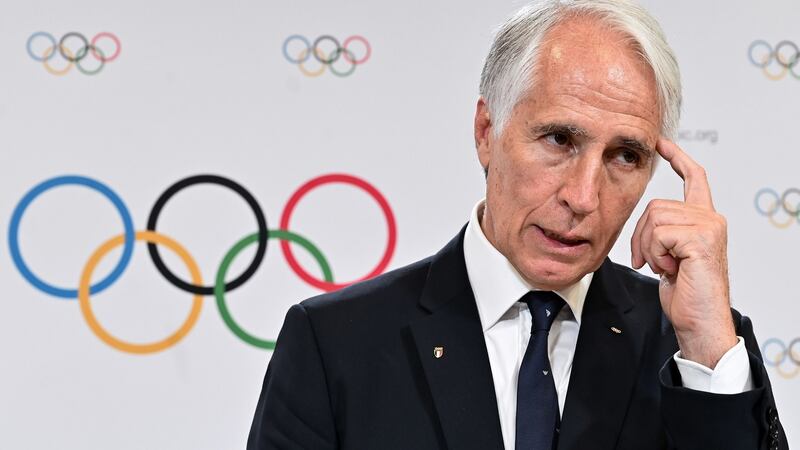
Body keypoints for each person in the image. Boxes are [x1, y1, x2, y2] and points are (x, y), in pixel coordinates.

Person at [248, 1, 788, 449]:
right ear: (487, 131)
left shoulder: (696, 346)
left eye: (625, 155)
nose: (583, 198)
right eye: (559, 140)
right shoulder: (336, 343)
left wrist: (708, 347)